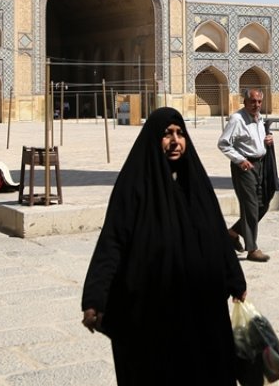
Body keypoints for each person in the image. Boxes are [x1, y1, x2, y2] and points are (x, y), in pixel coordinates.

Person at [81, 107, 247, 384]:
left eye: (180, 134)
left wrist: (235, 279)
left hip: (201, 307)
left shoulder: (195, 183)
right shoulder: (135, 185)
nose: (175, 141)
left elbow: (217, 233)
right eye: (167, 134)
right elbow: (113, 241)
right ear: (153, 138)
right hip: (154, 310)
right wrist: (94, 299)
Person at [218, 89, 274, 262]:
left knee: (263, 203)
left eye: (258, 102)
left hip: (261, 164)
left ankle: (232, 233)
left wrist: (268, 139)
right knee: (250, 206)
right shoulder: (237, 119)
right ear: (245, 102)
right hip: (244, 167)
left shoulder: (259, 118)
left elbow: (257, 140)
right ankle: (252, 249)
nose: (256, 105)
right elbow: (223, 143)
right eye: (252, 101)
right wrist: (239, 159)